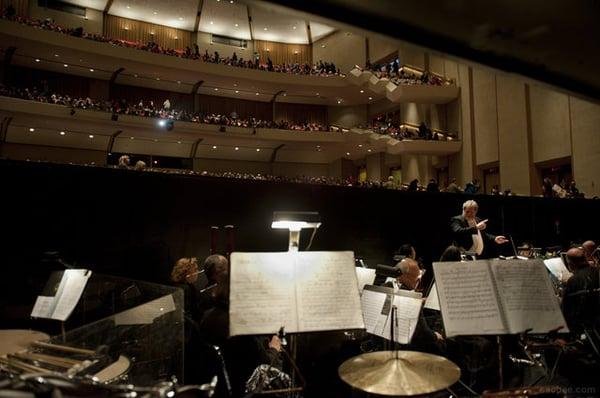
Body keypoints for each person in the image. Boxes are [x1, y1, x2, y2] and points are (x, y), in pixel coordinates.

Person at [562, 247, 600, 336]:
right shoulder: (597, 272)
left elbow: (566, 309)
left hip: (581, 326)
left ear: (570, 264)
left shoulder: (573, 280)